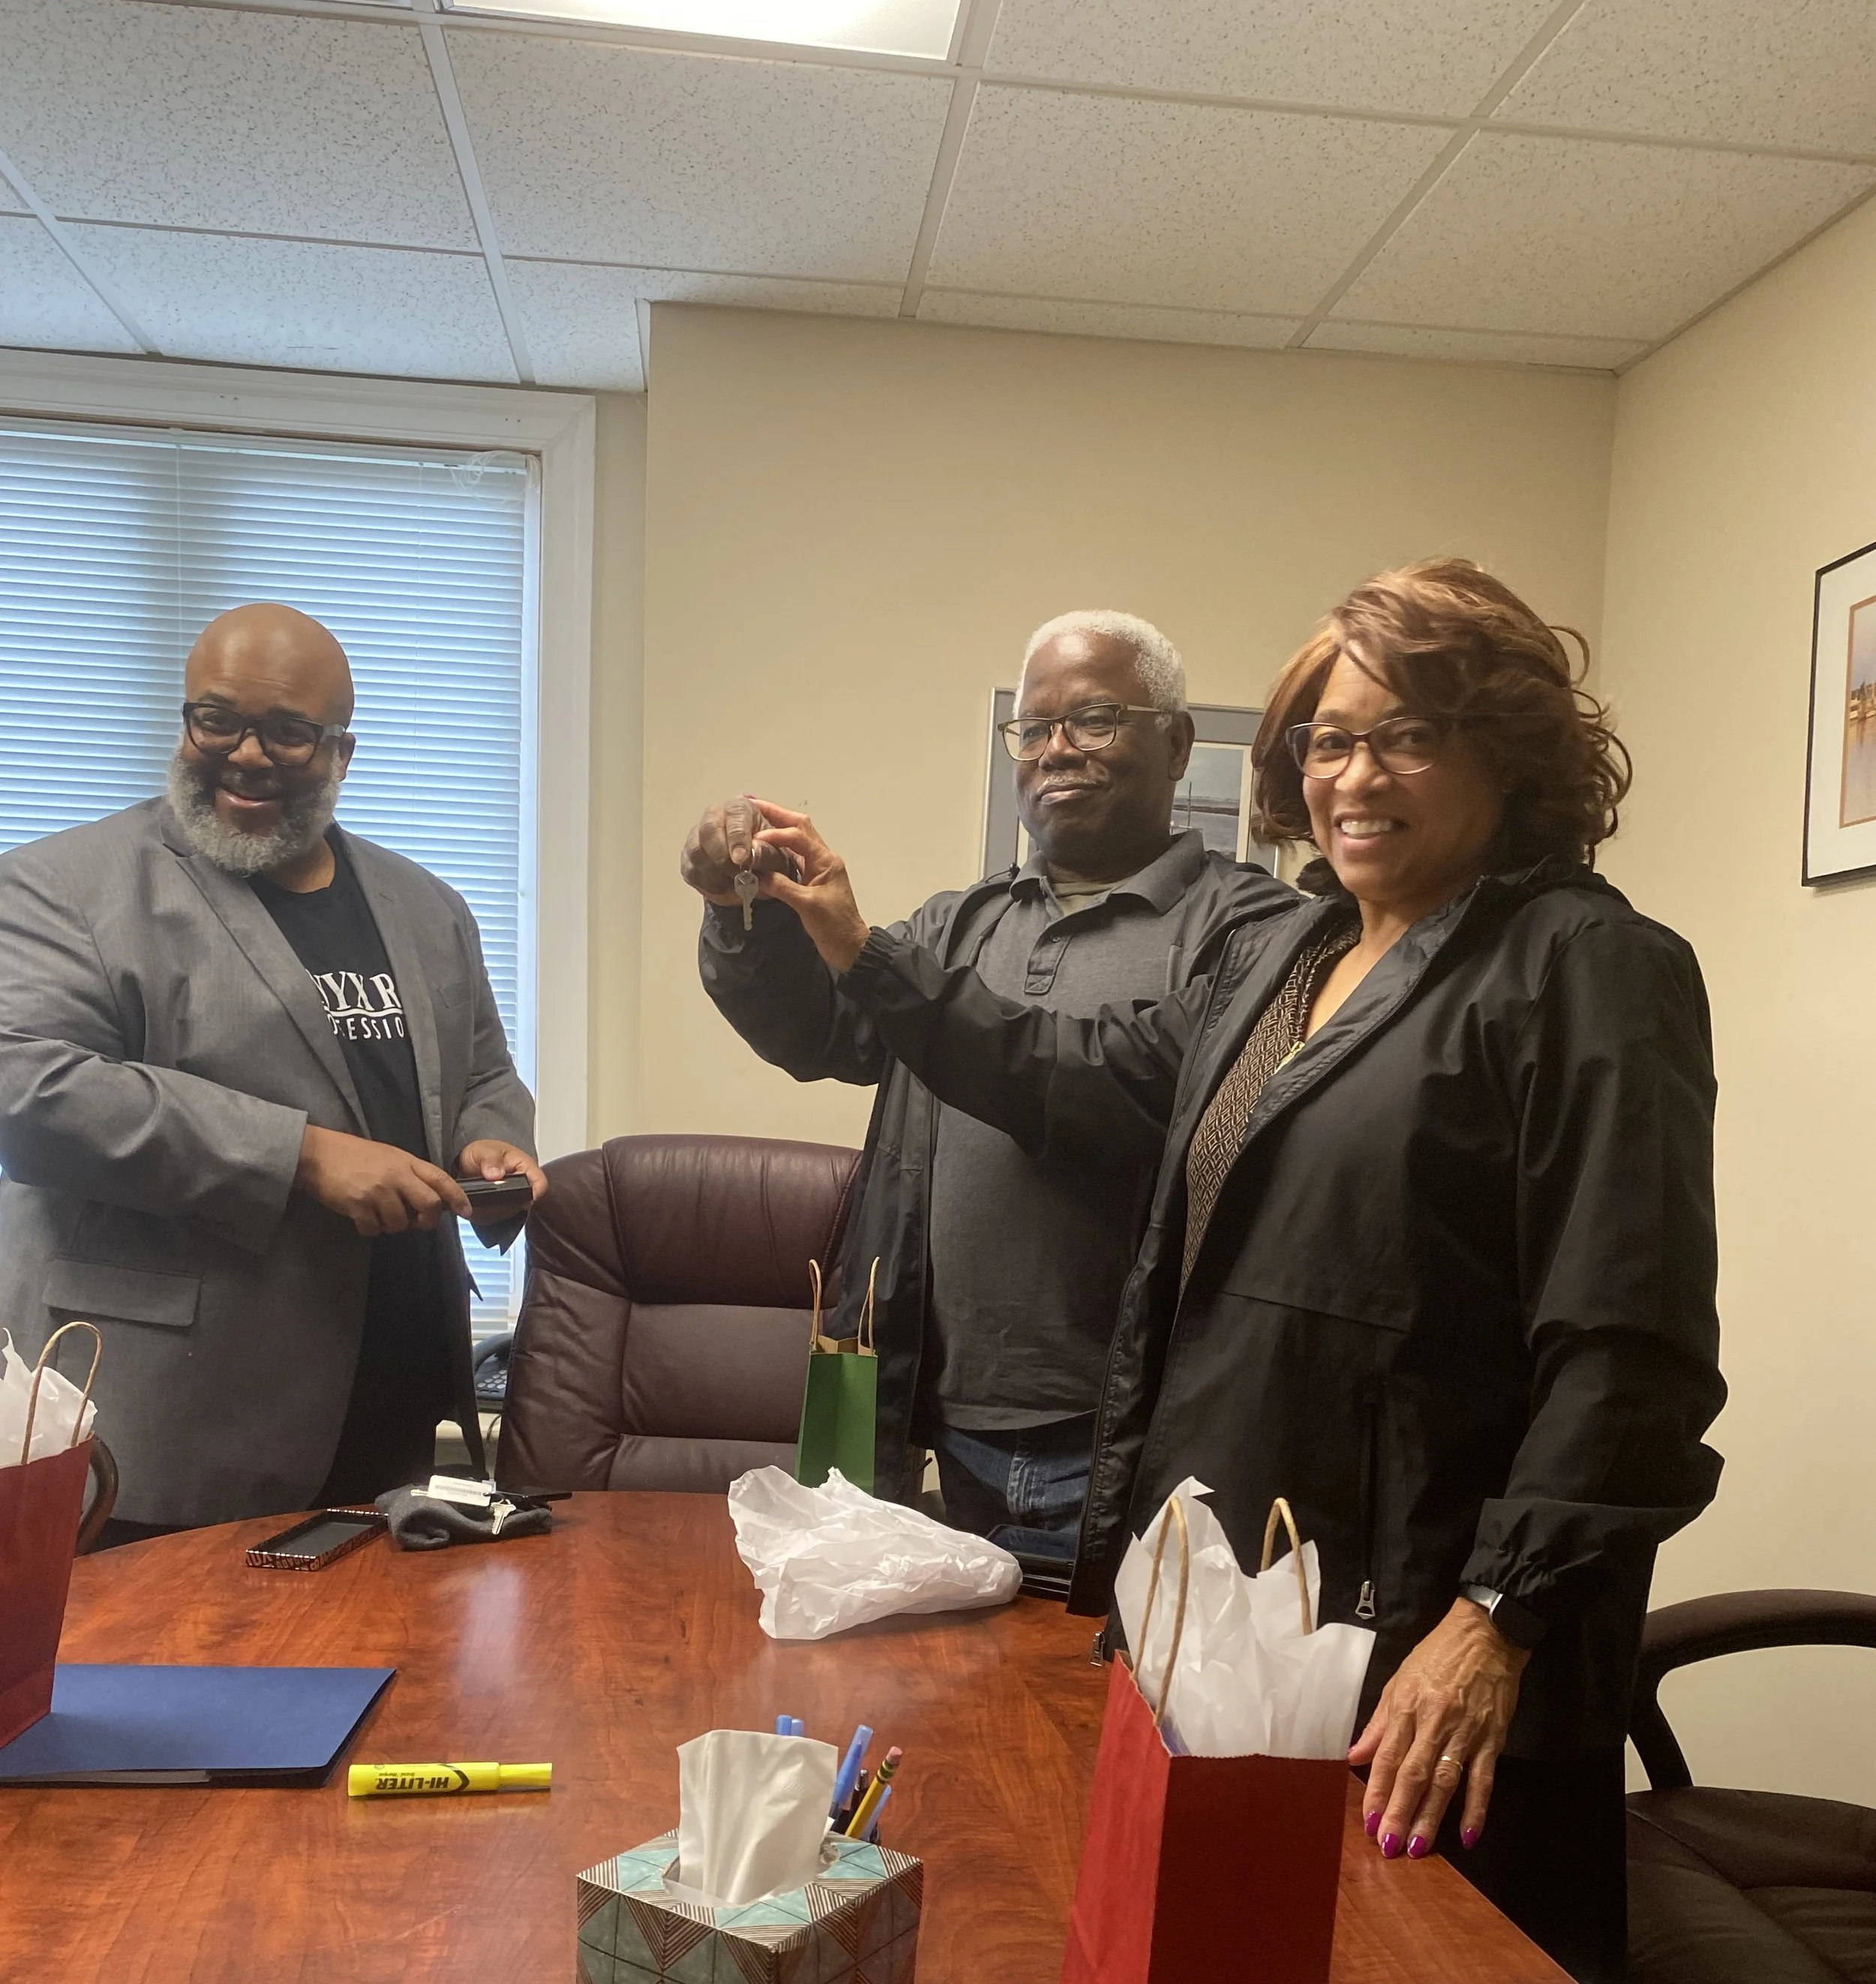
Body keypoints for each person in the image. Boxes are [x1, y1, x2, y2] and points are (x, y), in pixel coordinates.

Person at [729, 562, 1724, 1984]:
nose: (1354, 776)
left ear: (1508, 750)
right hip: (1236, 1588)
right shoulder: (1297, 951)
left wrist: (1495, 1619)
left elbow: (1630, 1351)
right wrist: (855, 947)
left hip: (1426, 1627)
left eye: (1407, 734)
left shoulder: (1589, 967)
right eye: (1326, 739)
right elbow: (1063, 1071)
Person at [680, 610, 1294, 1563]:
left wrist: (869, 955)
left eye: (1093, 720)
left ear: (1175, 744)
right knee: (963, 1705)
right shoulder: (960, 925)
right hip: (947, 1431)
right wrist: (741, 916)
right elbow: (820, 1035)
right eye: (1035, 728)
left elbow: (1104, 1086)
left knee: (1096, 1708)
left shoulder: (1252, 930)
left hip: (1135, 1447)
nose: (1056, 751)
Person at [0, 602, 546, 1537]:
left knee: (385, 1678)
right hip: (174, 1427)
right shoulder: (63, 885)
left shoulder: (427, 906)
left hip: (393, 1406)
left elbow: (480, 1070)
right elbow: (28, 1091)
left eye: (289, 733)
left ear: (342, 752)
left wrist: (493, 1141)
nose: (246, 755)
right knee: (161, 1682)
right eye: (216, 719)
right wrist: (300, 1155)